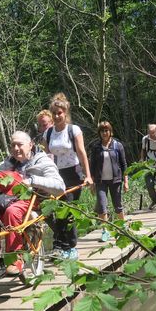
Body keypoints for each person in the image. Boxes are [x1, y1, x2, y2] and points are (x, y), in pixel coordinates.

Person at [0, 131, 64, 277]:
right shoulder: (6, 163)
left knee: (12, 211)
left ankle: (15, 257)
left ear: (30, 145)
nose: (16, 148)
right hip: (6, 200)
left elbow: (60, 186)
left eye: (19, 145)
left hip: (33, 199)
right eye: (13, 145)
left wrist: (32, 180)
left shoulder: (42, 161)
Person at [44, 93, 93, 259]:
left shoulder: (73, 130)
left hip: (73, 173)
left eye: (60, 113)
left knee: (68, 209)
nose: (57, 116)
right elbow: (45, 157)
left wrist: (88, 175)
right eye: (55, 113)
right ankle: (59, 245)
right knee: (54, 211)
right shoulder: (48, 133)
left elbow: (81, 152)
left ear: (65, 113)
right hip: (55, 175)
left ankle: (70, 246)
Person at [89, 121, 129, 242]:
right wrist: (91, 182)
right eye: (102, 131)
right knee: (102, 206)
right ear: (99, 133)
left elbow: (124, 164)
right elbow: (92, 165)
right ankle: (105, 231)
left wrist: (126, 181)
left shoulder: (118, 146)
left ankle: (123, 228)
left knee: (118, 205)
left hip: (116, 180)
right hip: (100, 181)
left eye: (106, 130)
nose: (104, 133)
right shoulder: (96, 147)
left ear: (110, 132)